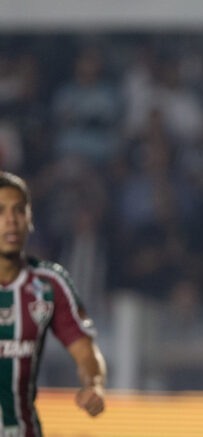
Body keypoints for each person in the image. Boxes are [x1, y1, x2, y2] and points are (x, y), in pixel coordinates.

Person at [0, 171, 106, 436]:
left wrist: (93, 385)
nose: (10, 221)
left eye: (19, 210)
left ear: (30, 219)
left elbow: (86, 352)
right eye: (0, 212)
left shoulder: (50, 283)